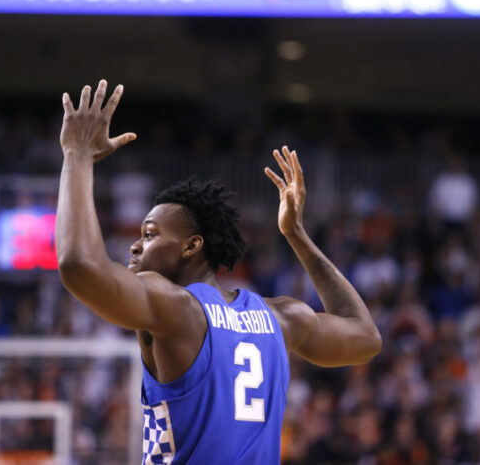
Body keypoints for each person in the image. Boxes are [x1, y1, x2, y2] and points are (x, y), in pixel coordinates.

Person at [56, 80, 382, 464]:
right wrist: (296, 235)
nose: (135, 245)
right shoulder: (281, 317)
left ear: (192, 246)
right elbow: (365, 337)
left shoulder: (174, 306)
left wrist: (76, 155)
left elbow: (78, 264)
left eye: (149, 234)